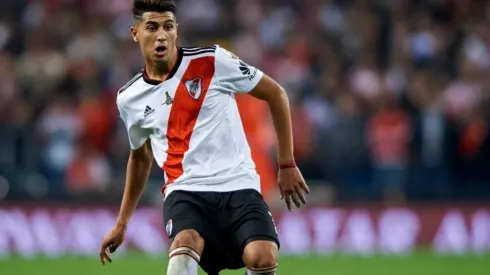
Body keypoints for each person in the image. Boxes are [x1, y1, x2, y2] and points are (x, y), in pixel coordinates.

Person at [99, 1, 309, 274]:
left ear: (177, 31)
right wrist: (122, 223)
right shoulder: (129, 98)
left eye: (168, 26)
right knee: (184, 246)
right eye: (152, 27)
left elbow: (276, 93)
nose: (161, 34)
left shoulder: (212, 60)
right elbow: (140, 157)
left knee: (263, 256)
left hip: (238, 184)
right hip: (185, 191)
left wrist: (287, 164)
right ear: (135, 33)